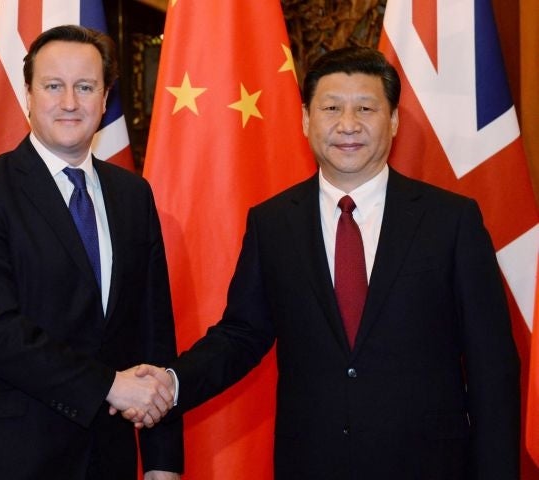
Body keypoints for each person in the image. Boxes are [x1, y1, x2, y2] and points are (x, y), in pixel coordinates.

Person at [133, 46, 520, 478]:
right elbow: (242, 334)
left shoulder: (451, 220)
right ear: (305, 119)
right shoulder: (273, 222)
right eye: (331, 107)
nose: (348, 125)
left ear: (393, 121)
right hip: (312, 463)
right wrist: (173, 382)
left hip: (428, 465)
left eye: (366, 108)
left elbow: (493, 365)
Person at [0, 25, 182, 480]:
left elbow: (153, 333)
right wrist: (108, 386)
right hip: (3, 456)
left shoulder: (132, 195)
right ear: (28, 95)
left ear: (105, 99)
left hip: (106, 457)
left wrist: (163, 461)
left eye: (85, 87)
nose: (70, 102)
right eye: (53, 86)